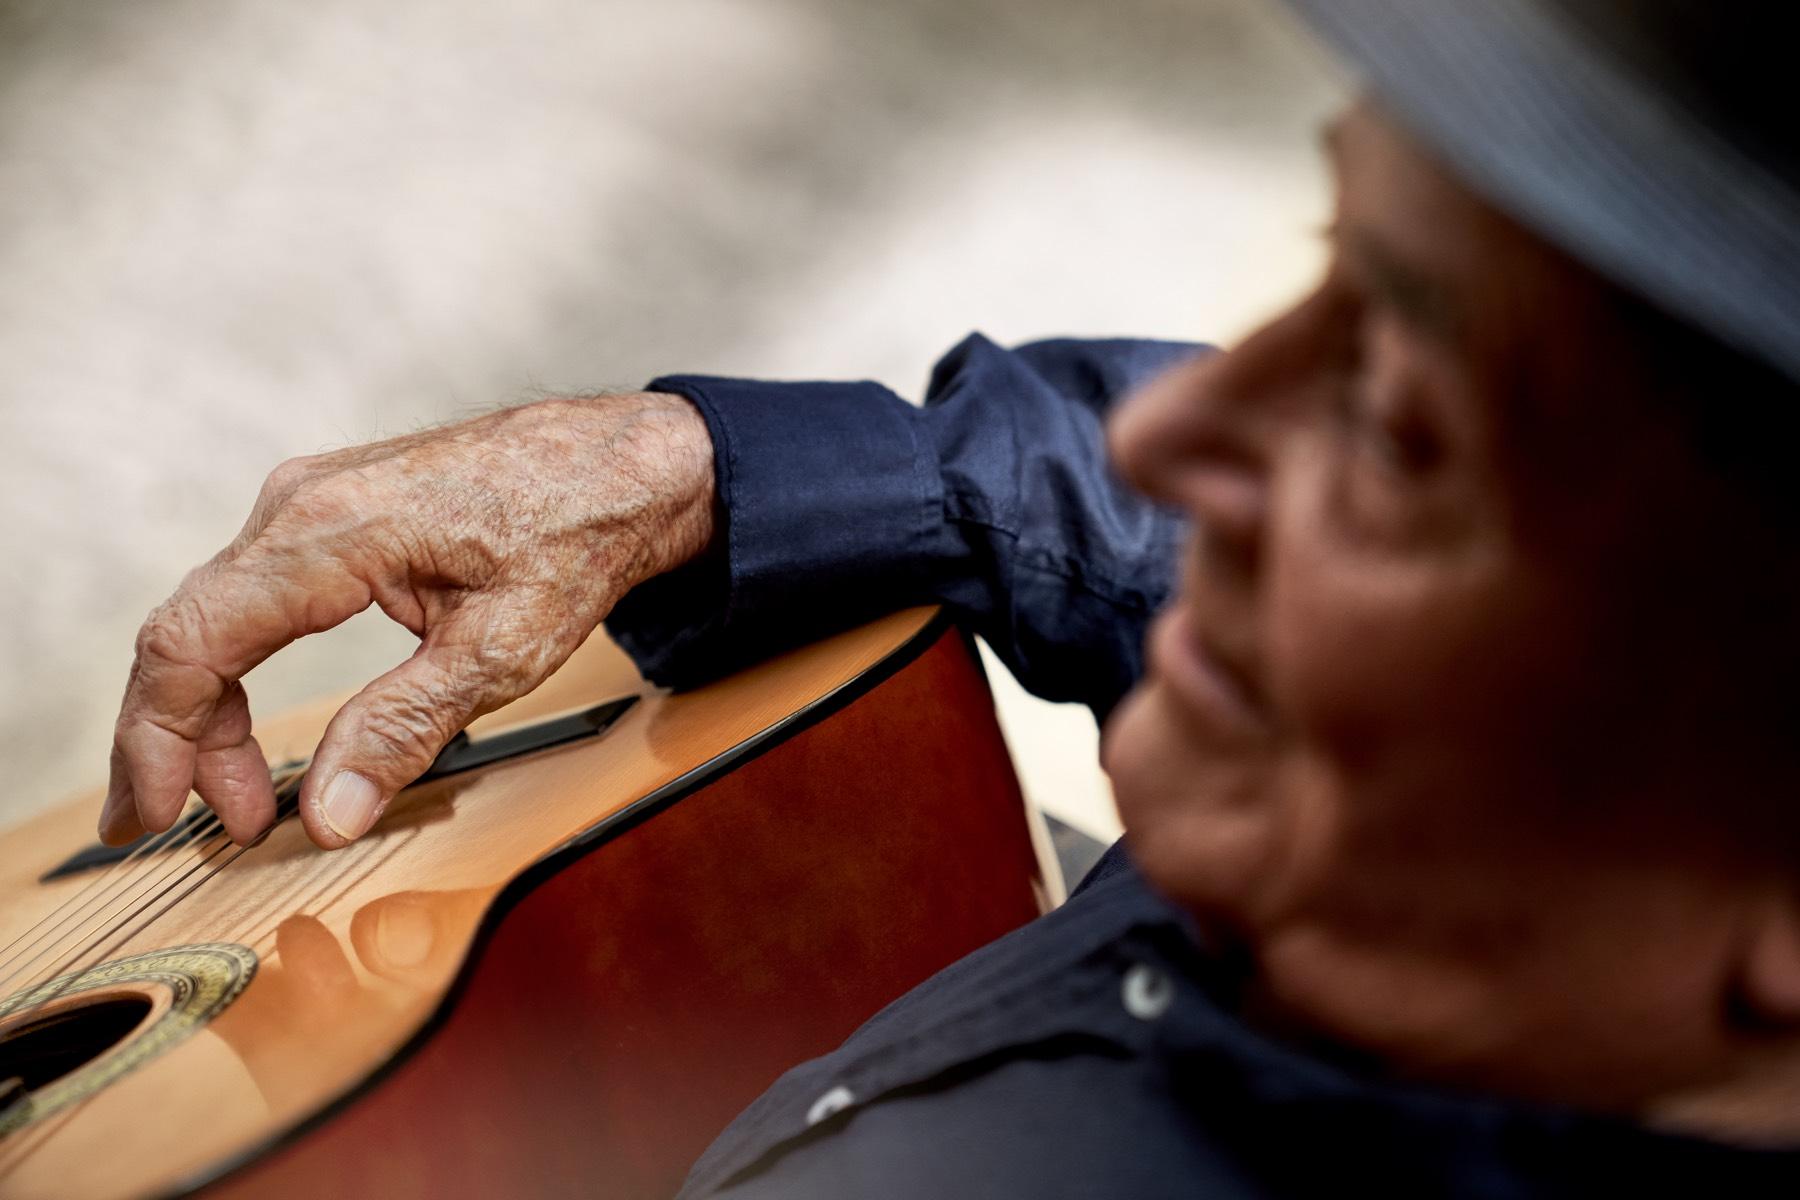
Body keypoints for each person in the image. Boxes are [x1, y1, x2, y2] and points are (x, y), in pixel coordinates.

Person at [98, 1, 1800, 1194]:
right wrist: (691, 467)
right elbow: (1103, 481)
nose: (1180, 421)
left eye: (1400, 424)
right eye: (1329, 272)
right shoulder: (1472, 776)